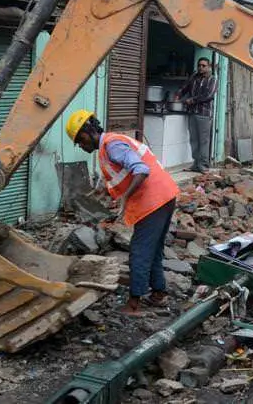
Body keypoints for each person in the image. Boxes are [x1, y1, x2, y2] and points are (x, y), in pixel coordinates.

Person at [66, 109, 179, 316]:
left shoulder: (112, 145)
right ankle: (159, 294)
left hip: (153, 201)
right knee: (152, 250)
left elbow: (140, 170)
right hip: (164, 197)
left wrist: (125, 198)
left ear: (86, 133)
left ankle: (134, 304)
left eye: (79, 142)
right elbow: (121, 175)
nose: (81, 146)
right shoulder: (108, 146)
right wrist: (105, 193)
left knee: (139, 251)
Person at [175, 57, 217, 172]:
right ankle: (196, 164)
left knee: (203, 140)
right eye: (199, 65)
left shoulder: (212, 79)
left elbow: (208, 95)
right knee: (194, 140)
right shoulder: (194, 77)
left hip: (204, 114)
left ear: (209, 67)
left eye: (203, 65)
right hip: (192, 112)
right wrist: (178, 95)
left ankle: (203, 166)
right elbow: (185, 87)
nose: (201, 67)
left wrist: (192, 100)